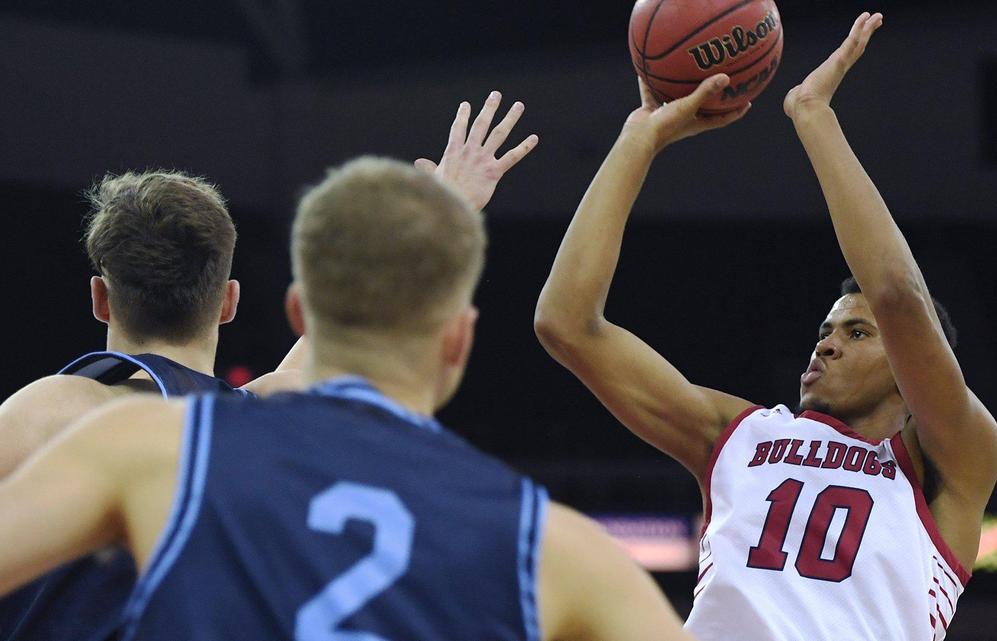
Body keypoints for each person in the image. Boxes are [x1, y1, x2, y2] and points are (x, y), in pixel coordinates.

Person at [0, 155, 696, 641]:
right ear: (459, 339)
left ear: (100, 295)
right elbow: (344, 338)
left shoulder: (87, 424)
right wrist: (441, 209)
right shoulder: (539, 535)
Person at [534, 13, 997, 640]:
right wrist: (637, 141)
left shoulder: (949, 461)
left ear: (912, 367)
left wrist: (814, 115)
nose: (827, 344)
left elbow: (896, 294)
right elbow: (566, 323)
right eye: (826, 331)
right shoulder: (739, 436)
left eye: (857, 334)